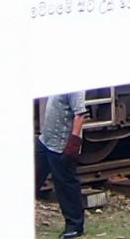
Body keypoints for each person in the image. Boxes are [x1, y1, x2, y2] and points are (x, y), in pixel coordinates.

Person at [34, 91, 87, 239]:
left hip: (61, 144)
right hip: (45, 140)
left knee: (66, 183)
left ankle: (75, 226)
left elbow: (80, 114)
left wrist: (74, 142)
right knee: (33, 176)